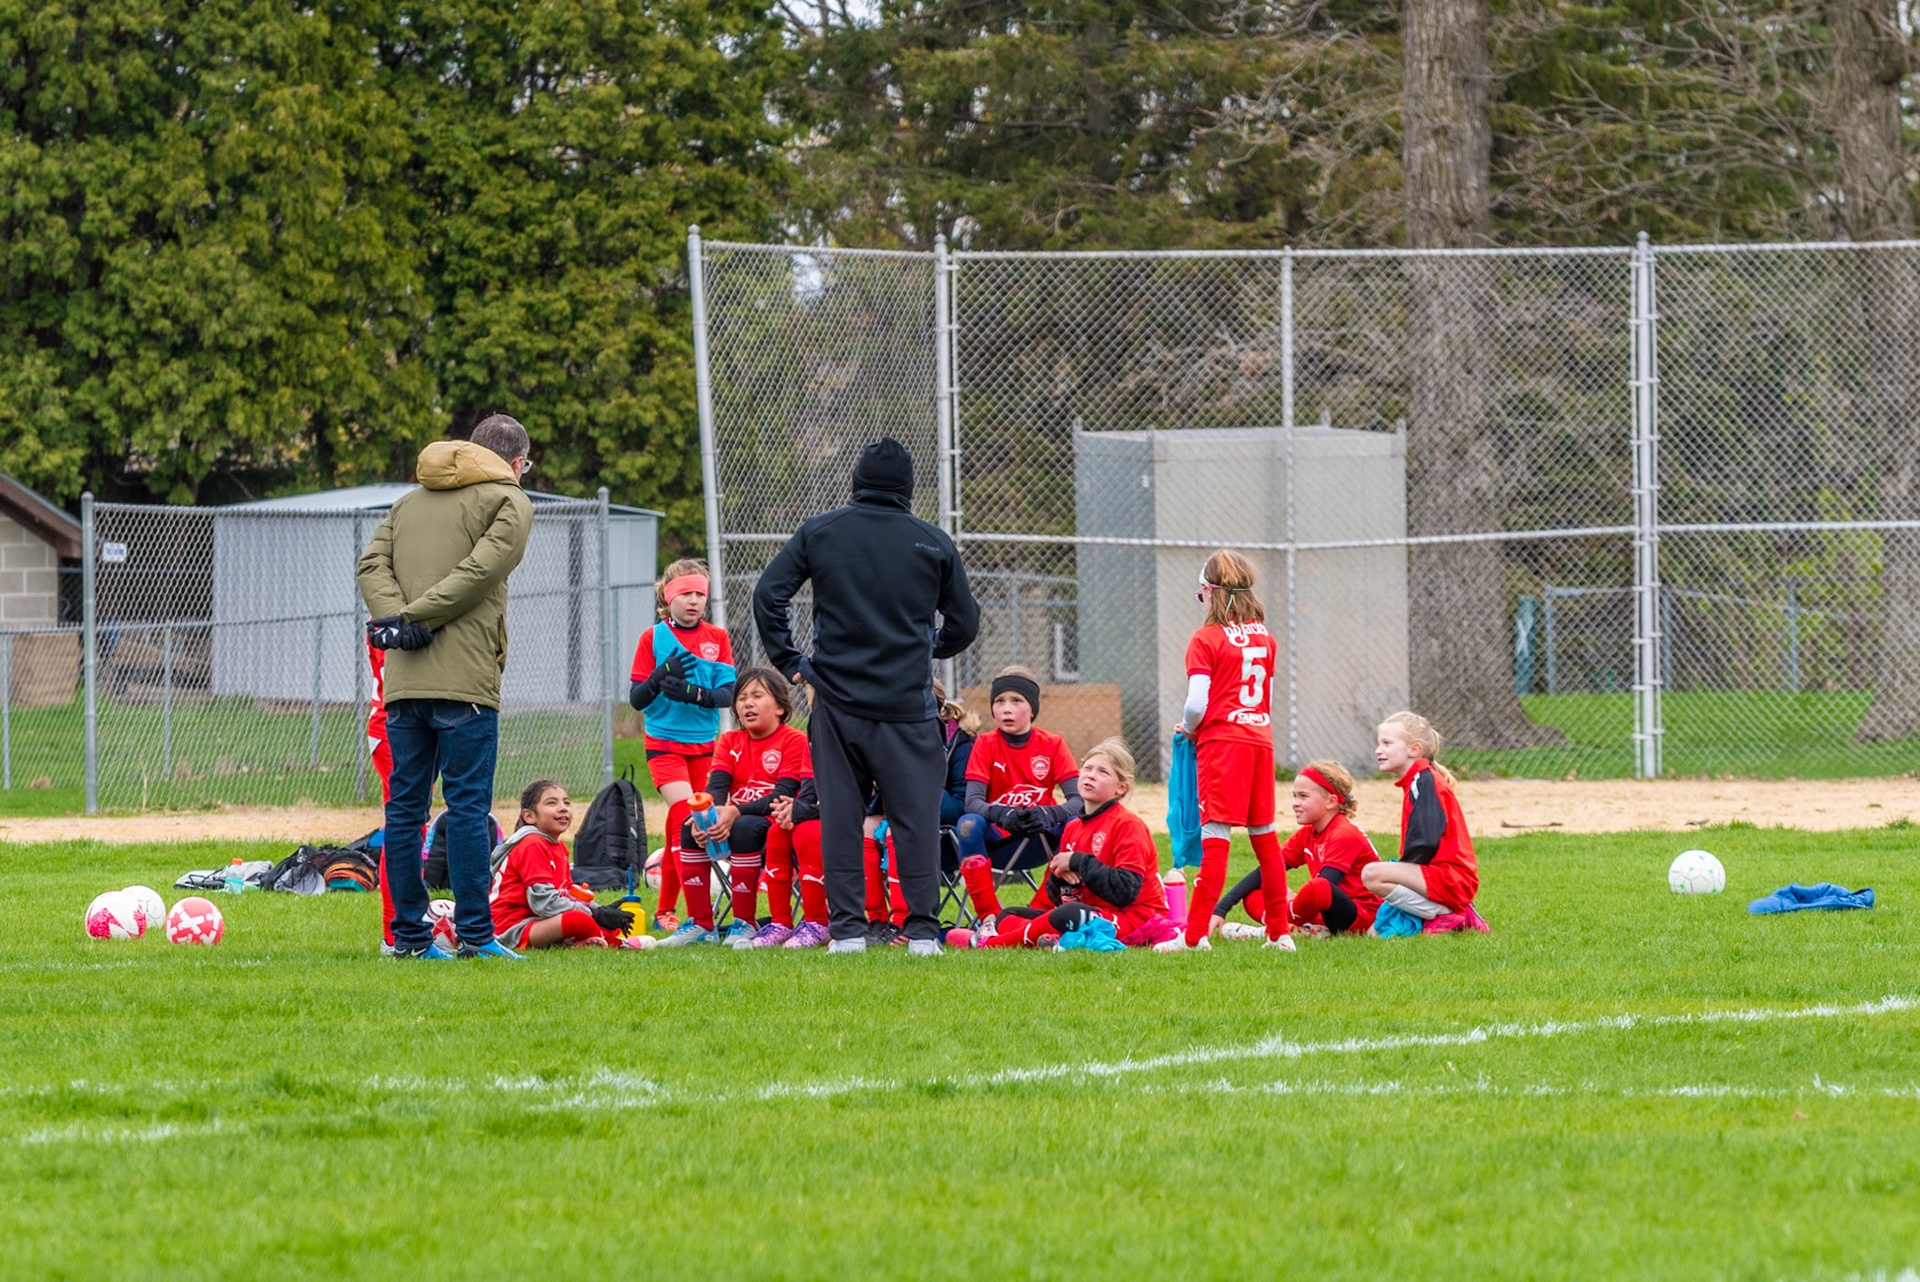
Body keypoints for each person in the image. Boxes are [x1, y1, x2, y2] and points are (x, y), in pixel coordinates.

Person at [752, 437, 980, 954]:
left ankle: (848, 933)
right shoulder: (933, 542)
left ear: (856, 480)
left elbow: (769, 594)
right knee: (915, 820)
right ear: (908, 488)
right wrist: (927, 650)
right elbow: (965, 623)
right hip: (907, 707)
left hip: (836, 702)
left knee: (839, 817)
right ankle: (922, 933)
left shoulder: (821, 531)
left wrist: (793, 665)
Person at [357, 415, 535, 960]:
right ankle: (477, 938)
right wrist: (418, 617)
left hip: (405, 679)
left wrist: (397, 622)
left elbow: (371, 565)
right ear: (518, 463)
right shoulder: (510, 501)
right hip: (466, 683)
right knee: (466, 809)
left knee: (405, 812)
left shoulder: (409, 503)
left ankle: (409, 939)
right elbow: (481, 571)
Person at [1157, 550, 1292, 954]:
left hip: (1223, 744)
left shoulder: (1206, 638)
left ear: (1212, 593)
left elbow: (1197, 702)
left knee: (1216, 836)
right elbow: (1265, 698)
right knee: (1265, 837)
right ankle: (1280, 934)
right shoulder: (1266, 637)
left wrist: (1190, 728)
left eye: (1202, 595)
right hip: (1259, 740)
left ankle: (1195, 935)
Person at [960, 739, 1173, 948]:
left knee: (1066, 915)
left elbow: (1126, 891)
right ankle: (1047, 939)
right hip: (1090, 911)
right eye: (1088, 768)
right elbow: (1056, 896)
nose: (1091, 775)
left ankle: (992, 944)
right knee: (1008, 916)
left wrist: (1078, 862)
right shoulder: (1073, 827)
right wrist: (1060, 876)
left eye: (1103, 772)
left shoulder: (1127, 825)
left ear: (1121, 788)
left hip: (1133, 917)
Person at [661, 668, 809, 947]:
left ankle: (745, 923)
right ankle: (700, 924)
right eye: (741, 698)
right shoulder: (729, 741)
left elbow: (781, 796)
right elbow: (717, 789)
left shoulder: (793, 740)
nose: (747, 703)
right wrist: (705, 817)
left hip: (777, 825)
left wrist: (734, 812)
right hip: (735, 822)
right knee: (689, 825)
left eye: (757, 696)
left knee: (743, 826)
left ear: (780, 707)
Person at [630, 558, 737, 932]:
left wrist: (694, 693)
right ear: (667, 596)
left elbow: (726, 695)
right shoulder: (652, 638)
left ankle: (700, 910)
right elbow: (637, 699)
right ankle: (665, 911)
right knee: (684, 817)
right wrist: (660, 677)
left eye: (699, 594)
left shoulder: (717, 638)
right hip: (664, 744)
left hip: (706, 746)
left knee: (698, 823)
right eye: (685, 593)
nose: (693, 601)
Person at [1210, 761, 1381, 939]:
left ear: (1331, 801)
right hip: (1323, 911)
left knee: (1317, 887)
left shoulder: (1343, 834)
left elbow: (1324, 888)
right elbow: (1267, 870)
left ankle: (1277, 928)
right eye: (1295, 796)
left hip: (1360, 916)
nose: (1295, 803)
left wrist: (1292, 902)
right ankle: (1299, 929)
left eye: (1303, 796)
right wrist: (1220, 909)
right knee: (1254, 893)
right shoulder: (1307, 833)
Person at [863, 679, 976, 944]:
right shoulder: (888, 742)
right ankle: (875, 920)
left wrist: (917, 782)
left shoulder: (961, 744)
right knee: (864, 826)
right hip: (896, 823)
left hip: (943, 835)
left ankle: (904, 921)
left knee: (896, 828)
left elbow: (961, 805)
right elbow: (879, 800)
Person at [1362, 711, 1491, 934]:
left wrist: (1402, 870)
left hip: (1452, 879)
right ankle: (1445, 913)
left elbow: (1426, 841)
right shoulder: (1418, 780)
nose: (1378, 750)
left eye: (1387, 743)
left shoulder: (1424, 781)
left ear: (1414, 749)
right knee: (1373, 932)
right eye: (1378, 743)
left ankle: (1452, 914)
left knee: (1372, 874)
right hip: (1440, 876)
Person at [953, 666, 1080, 878]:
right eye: (999, 701)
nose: (1006, 708)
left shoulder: (1053, 744)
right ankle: (988, 911)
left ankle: (1048, 904)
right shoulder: (984, 743)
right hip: (998, 840)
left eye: (1016, 701)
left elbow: (1078, 800)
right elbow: (972, 802)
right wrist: (1004, 814)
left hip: (1041, 837)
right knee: (968, 823)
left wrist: (1049, 814)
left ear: (1033, 709)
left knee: (1075, 821)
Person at [490, 781, 645, 949]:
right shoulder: (532, 844)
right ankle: (618, 945)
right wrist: (595, 914)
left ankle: (586, 940)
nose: (563, 807)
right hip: (511, 927)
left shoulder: (559, 847)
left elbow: (567, 893)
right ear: (529, 816)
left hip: (538, 920)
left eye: (566, 802)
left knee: (591, 919)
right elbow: (543, 903)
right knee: (579, 920)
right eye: (552, 803)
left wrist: (600, 910)